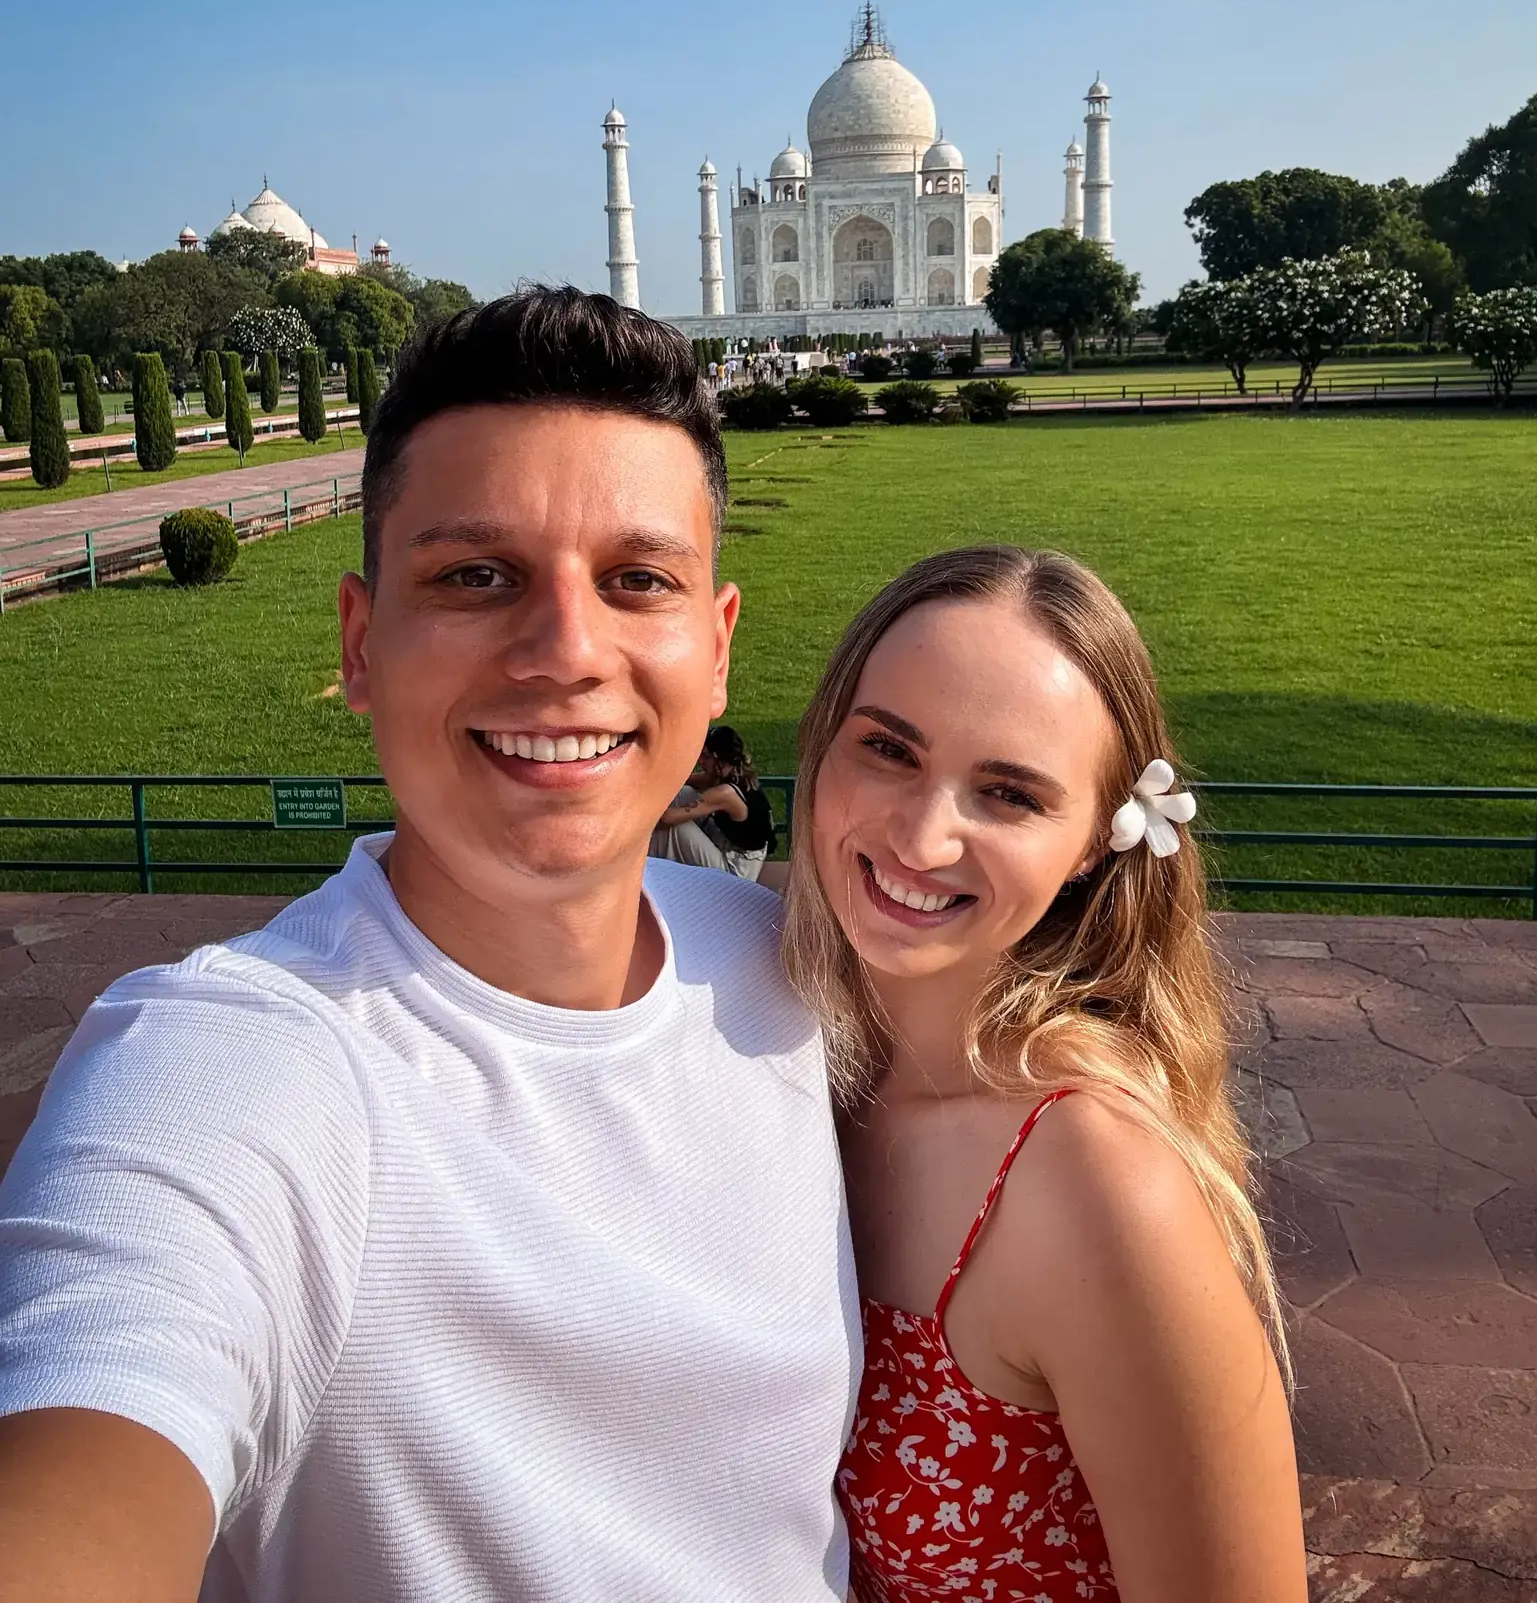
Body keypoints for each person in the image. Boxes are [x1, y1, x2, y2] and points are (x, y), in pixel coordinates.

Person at [0, 288, 859, 1603]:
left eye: (636, 580)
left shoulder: (787, 969)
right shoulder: (237, 1071)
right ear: (360, 644)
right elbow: (96, 1427)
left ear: (718, 645)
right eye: (475, 576)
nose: (566, 651)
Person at [782, 546, 1306, 1603]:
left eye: (1008, 793)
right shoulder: (775, 1040)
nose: (922, 833)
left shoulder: (1093, 1183)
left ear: (1093, 845)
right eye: (887, 748)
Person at [650, 723, 773, 879]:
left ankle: (641, 864)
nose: (700, 761)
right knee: (684, 793)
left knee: (675, 827)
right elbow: (684, 781)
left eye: (706, 757)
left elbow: (667, 817)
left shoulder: (725, 793)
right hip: (727, 845)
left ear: (719, 759)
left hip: (735, 873)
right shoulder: (733, 773)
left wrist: (639, 807)